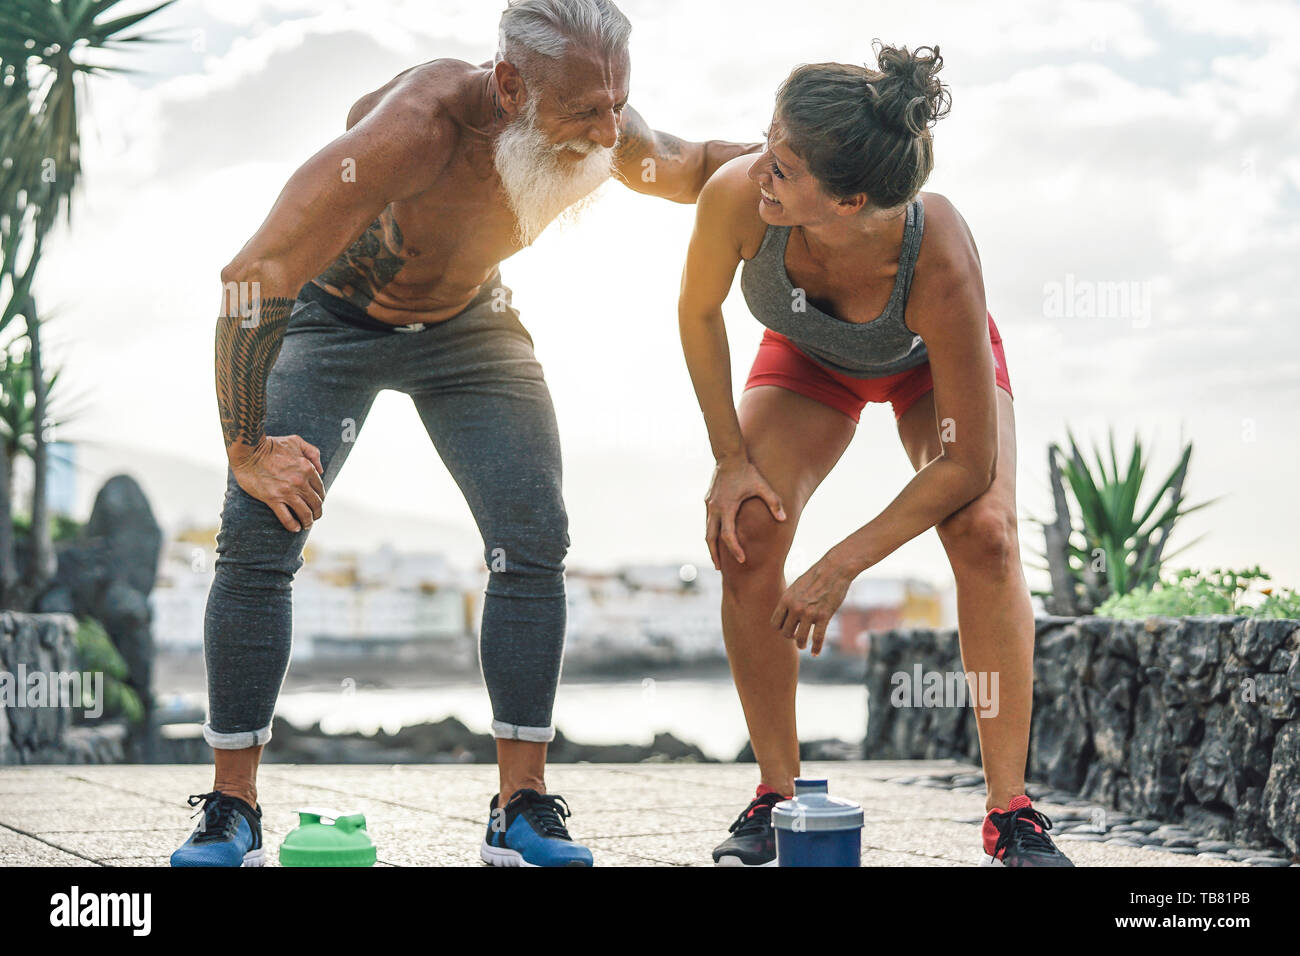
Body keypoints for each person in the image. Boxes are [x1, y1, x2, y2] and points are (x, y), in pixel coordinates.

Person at [172, 0, 758, 868]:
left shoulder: (604, 123)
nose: (608, 133)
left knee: (533, 537)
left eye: (617, 105)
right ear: (512, 85)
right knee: (261, 530)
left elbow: (701, 167)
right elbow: (251, 276)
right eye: (586, 111)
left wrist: (805, 160)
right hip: (336, 322)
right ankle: (232, 809)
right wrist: (247, 450)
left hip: (470, 327)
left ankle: (521, 809)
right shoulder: (415, 129)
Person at [677, 43, 1073, 867]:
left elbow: (965, 465)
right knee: (747, 526)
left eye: (784, 168)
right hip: (811, 357)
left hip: (929, 365)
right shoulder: (738, 194)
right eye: (767, 144)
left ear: (850, 198)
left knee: (986, 534)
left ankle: (1012, 813)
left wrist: (840, 566)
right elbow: (700, 312)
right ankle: (775, 796)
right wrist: (728, 462)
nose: (762, 172)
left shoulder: (938, 254)